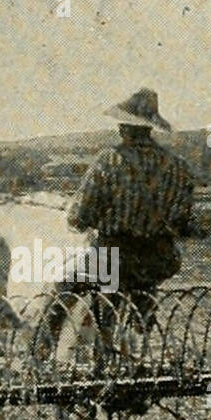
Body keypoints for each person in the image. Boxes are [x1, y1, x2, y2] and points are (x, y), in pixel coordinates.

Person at [67, 88, 194, 322]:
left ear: (125, 127)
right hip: (160, 259)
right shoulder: (179, 166)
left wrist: (83, 221)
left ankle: (43, 347)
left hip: (114, 257)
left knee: (64, 282)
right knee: (139, 283)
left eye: (120, 124)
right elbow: (185, 221)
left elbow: (80, 216)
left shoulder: (110, 160)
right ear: (150, 127)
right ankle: (142, 323)